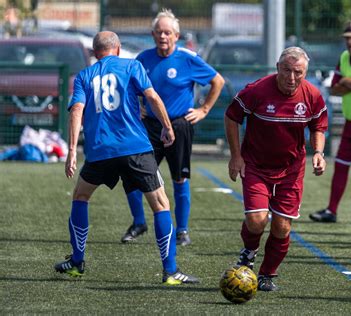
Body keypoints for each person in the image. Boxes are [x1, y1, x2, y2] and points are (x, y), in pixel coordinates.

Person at [54, 31, 199, 284]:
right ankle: (171, 271)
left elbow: (76, 109)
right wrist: (168, 126)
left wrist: (71, 150)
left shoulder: (84, 76)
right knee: (161, 205)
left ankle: (77, 262)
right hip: (136, 149)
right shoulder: (133, 65)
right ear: (118, 49)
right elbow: (152, 97)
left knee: (80, 197)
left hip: (100, 151)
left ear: (94, 52)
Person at [225, 47, 328, 291]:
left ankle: (267, 274)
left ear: (306, 72)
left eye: (298, 72)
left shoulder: (312, 95)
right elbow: (232, 117)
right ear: (277, 67)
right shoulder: (257, 90)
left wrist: (319, 153)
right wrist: (236, 156)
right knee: (256, 221)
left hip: (291, 170)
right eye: (287, 70)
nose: (292, 77)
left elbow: (318, 125)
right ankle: (249, 253)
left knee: (282, 227)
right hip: (256, 166)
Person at [120, 9, 225, 245]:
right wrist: (138, 107)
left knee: (179, 179)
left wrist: (204, 109)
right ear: (152, 34)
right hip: (149, 127)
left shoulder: (187, 59)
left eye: (167, 32)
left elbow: (217, 81)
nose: (163, 37)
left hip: (179, 126)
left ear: (176, 35)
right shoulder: (143, 59)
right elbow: (128, 87)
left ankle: (182, 231)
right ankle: (139, 223)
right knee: (133, 176)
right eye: (159, 32)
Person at [309, 20, 351, 223]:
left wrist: (346, 82)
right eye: (348, 38)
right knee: (340, 167)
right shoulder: (344, 57)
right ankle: (331, 210)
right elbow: (334, 88)